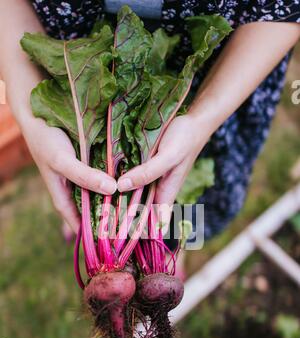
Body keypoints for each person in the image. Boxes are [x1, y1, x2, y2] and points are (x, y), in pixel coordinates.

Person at [0, 0, 300, 243]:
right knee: (84, 173)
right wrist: (31, 117)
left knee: (179, 192)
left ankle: (168, 254)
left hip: (224, 72)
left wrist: (202, 121)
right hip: (79, 64)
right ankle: (100, 237)